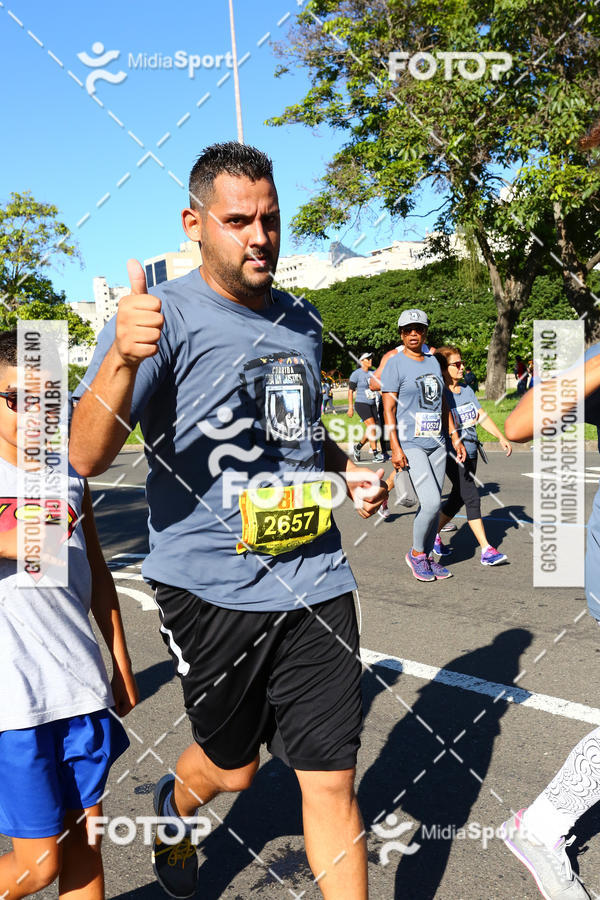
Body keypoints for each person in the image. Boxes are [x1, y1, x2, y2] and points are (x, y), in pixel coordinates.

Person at [69, 142, 387, 900]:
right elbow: (84, 452)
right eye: (239, 220)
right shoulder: (160, 317)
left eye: (271, 219)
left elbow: (300, 430)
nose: (260, 237)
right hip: (208, 588)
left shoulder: (302, 319)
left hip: (314, 578)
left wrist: (345, 468)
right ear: (195, 223)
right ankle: (173, 811)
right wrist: (120, 359)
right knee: (233, 769)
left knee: (332, 783)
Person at [0, 330, 138, 900]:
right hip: (15, 698)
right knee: (39, 866)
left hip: (79, 685)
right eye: (16, 398)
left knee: (86, 844)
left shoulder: (69, 470)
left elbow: (98, 575)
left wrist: (121, 661)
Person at [381, 309, 466, 582]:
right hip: (410, 442)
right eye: (407, 330)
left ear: (425, 332)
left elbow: (442, 403)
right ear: (401, 334)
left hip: (438, 442)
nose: (413, 333)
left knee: (432, 503)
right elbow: (388, 409)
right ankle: (416, 554)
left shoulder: (433, 362)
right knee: (430, 502)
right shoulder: (395, 363)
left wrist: (453, 436)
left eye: (418, 329)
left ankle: (428, 555)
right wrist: (395, 447)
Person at [432, 346, 512, 565]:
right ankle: (487, 550)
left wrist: (500, 437)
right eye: (456, 364)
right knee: (471, 496)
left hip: (472, 450)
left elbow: (481, 415)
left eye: (462, 363)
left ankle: (431, 536)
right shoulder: (439, 393)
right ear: (443, 368)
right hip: (452, 452)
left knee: (458, 497)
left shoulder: (466, 389)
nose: (462, 367)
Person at [348, 353, 385, 462]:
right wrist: (350, 407)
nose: (370, 360)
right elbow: (350, 391)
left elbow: (378, 388)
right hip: (361, 403)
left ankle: (358, 447)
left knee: (373, 428)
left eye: (371, 358)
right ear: (361, 361)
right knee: (372, 427)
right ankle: (375, 454)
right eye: (368, 358)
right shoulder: (356, 374)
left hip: (373, 404)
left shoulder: (373, 373)